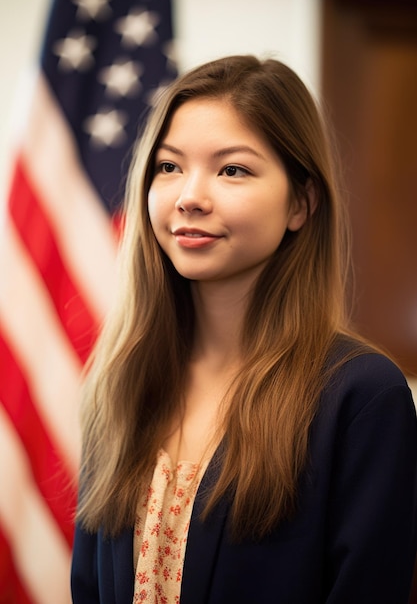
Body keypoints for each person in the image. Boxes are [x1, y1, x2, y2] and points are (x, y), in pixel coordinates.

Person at [71, 55, 417, 603]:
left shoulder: (363, 396)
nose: (190, 196)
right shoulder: (123, 382)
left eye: (232, 169)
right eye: (169, 166)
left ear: (301, 203)